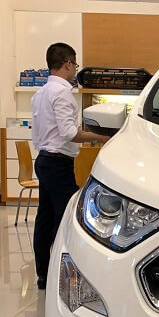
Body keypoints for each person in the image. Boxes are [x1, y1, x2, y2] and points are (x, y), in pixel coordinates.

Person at [31, 42, 109, 290]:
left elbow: (39, 134)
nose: (75, 69)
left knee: (45, 219)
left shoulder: (40, 93)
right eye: (74, 65)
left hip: (44, 160)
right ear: (67, 64)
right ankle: (62, 277)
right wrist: (101, 138)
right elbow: (69, 133)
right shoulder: (62, 93)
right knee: (66, 219)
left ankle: (44, 275)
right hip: (57, 164)